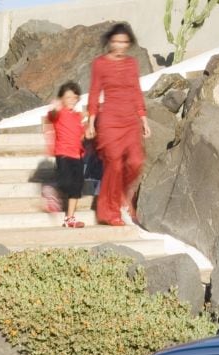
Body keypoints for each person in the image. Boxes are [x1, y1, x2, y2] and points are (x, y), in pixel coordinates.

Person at [86, 23, 151, 226]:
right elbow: (94, 93)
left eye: (124, 42)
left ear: (129, 43)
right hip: (110, 122)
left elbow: (136, 91)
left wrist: (143, 119)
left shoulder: (132, 63)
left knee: (135, 162)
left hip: (130, 121)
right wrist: (91, 122)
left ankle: (121, 193)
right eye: (116, 41)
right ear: (110, 42)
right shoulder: (100, 64)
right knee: (114, 165)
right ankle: (109, 211)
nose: (120, 46)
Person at [43, 82, 88, 228]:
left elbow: (82, 135)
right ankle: (51, 189)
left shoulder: (77, 116)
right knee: (66, 182)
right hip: (63, 153)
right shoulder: (59, 113)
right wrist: (55, 107)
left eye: (74, 97)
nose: (71, 100)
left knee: (77, 187)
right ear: (62, 99)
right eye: (68, 97)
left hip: (78, 155)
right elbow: (51, 116)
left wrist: (88, 132)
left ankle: (70, 219)